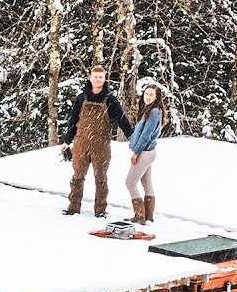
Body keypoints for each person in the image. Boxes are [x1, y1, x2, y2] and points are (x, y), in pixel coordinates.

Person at [61, 65, 134, 217]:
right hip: (81, 143)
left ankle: (100, 210)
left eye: (101, 77)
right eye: (95, 76)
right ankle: (73, 207)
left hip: (101, 144)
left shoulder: (110, 99)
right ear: (90, 78)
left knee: (101, 178)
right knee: (77, 176)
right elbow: (73, 119)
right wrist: (67, 140)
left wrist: (133, 138)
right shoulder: (81, 98)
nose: (98, 79)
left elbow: (121, 119)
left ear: (104, 78)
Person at [124, 82, 164, 224]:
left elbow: (146, 136)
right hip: (149, 152)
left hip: (145, 152)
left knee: (130, 182)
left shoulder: (153, 112)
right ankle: (148, 216)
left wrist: (136, 152)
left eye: (151, 94)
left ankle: (139, 215)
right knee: (146, 182)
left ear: (156, 97)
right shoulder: (151, 110)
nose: (147, 96)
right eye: (146, 94)